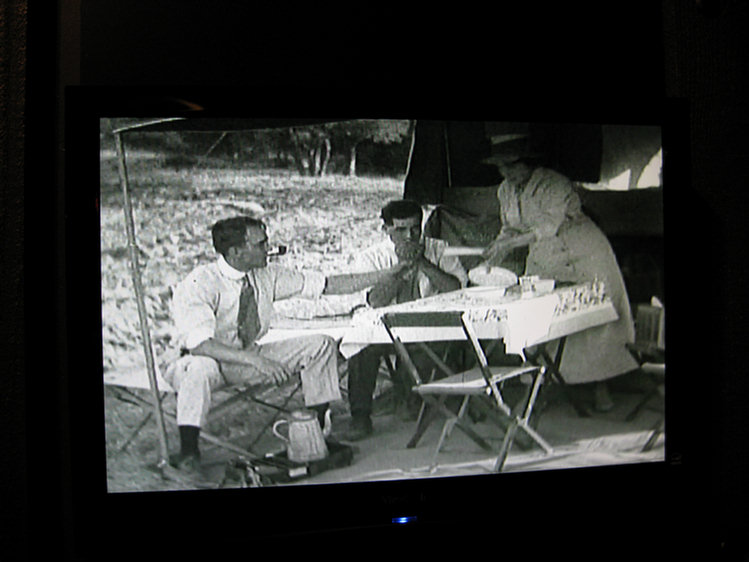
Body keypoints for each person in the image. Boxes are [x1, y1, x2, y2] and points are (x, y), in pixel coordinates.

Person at [166, 216, 409, 476]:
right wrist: (257, 361)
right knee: (199, 368)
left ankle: (314, 430)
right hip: (201, 361)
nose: (270, 248)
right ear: (236, 252)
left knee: (321, 345)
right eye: (260, 244)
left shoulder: (266, 274)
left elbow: (328, 285)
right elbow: (201, 345)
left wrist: (386, 274)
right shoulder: (201, 282)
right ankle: (189, 451)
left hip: (247, 356)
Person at [481, 142, 638, 413]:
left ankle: (601, 386)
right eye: (501, 166)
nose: (506, 172)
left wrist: (509, 245)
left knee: (595, 317)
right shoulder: (504, 190)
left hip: (583, 251)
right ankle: (540, 385)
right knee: (540, 317)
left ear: (527, 162)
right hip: (545, 257)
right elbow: (509, 227)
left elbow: (547, 227)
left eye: (511, 165)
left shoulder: (554, 184)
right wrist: (497, 249)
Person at [342, 199, 469, 441]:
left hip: (428, 329)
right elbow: (375, 301)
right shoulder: (371, 257)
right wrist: (401, 269)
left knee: (432, 348)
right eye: (400, 230)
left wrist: (422, 263)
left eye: (415, 229)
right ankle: (360, 416)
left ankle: (412, 396)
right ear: (386, 229)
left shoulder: (439, 249)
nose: (410, 236)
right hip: (386, 329)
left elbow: (457, 289)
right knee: (360, 347)